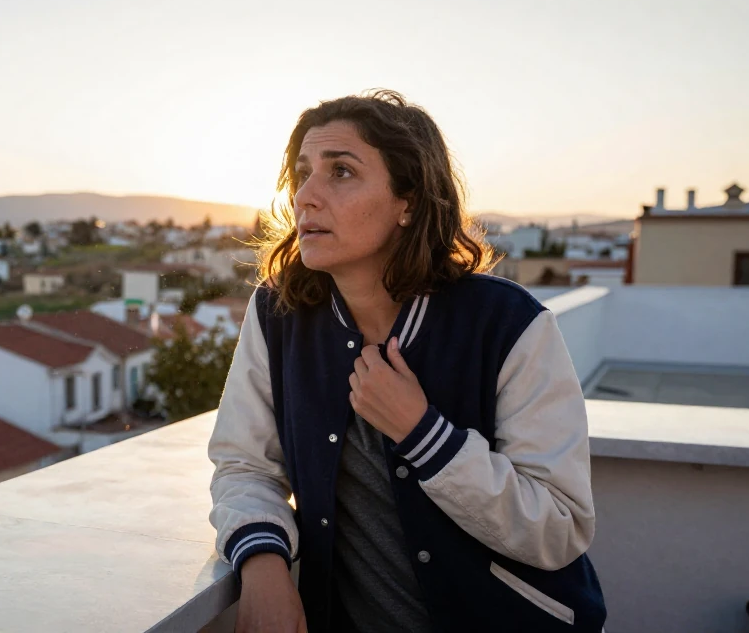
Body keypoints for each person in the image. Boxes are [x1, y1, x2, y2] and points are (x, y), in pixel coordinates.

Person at [208, 90, 605, 632]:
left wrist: (424, 435)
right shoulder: (280, 315)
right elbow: (245, 465)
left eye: (341, 172)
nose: (306, 196)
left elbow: (559, 527)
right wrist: (262, 565)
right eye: (302, 173)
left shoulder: (509, 324)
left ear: (409, 202)